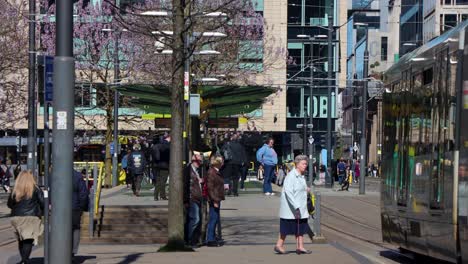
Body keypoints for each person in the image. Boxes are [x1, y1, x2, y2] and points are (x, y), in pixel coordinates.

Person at [274, 155, 311, 255]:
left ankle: (300, 246)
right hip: (291, 208)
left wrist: (306, 189)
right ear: (297, 164)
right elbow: (288, 192)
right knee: (286, 227)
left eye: (306, 164)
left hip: (300, 207)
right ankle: (279, 245)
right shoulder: (291, 176)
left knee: (300, 226)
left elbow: (299, 188)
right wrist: (296, 206)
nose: (305, 165)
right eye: (303, 164)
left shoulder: (301, 175)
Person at [7, 171, 44, 264]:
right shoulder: (35, 189)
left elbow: (10, 204)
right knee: (28, 240)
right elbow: (42, 202)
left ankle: (24, 259)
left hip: (17, 217)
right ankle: (25, 260)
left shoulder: (15, 189)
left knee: (21, 239)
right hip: (31, 217)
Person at [184, 154, 203, 247]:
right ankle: (189, 240)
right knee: (195, 219)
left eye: (200, 161)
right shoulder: (188, 171)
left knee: (193, 219)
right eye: (198, 161)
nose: (200, 163)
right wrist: (186, 200)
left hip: (196, 198)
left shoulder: (196, 171)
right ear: (193, 161)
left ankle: (191, 240)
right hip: (191, 198)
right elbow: (185, 186)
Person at [205, 154, 225, 247]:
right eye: (222, 161)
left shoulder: (216, 172)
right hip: (214, 199)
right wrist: (215, 200)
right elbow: (210, 188)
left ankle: (212, 237)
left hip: (217, 197)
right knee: (213, 219)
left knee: (215, 218)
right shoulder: (212, 172)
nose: (223, 163)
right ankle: (210, 239)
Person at [72, 170, 89, 262]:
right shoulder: (77, 176)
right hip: (74, 208)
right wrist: (81, 207)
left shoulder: (53, 174)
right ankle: (72, 252)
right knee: (75, 229)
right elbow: (83, 194)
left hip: (58, 209)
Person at [152, 133, 171, 200]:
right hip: (165, 165)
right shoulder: (168, 145)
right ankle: (162, 195)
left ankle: (156, 195)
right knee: (163, 181)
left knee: (159, 181)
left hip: (157, 165)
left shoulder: (157, 145)